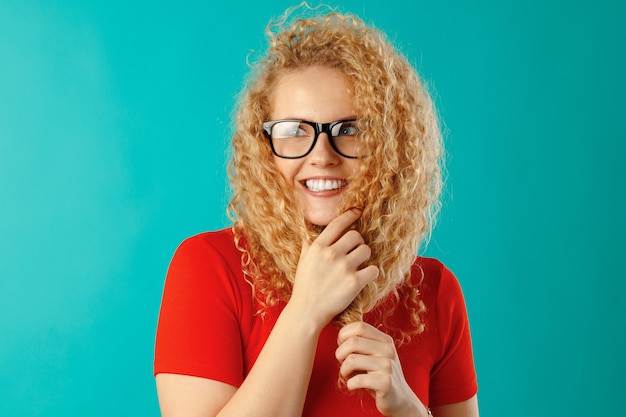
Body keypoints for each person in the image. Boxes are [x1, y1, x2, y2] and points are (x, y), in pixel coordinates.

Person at [154, 5, 478, 417]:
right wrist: (306, 311)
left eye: (350, 129)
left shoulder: (434, 291)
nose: (321, 156)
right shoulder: (209, 267)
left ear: (391, 147)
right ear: (263, 148)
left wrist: (409, 409)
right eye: (294, 132)